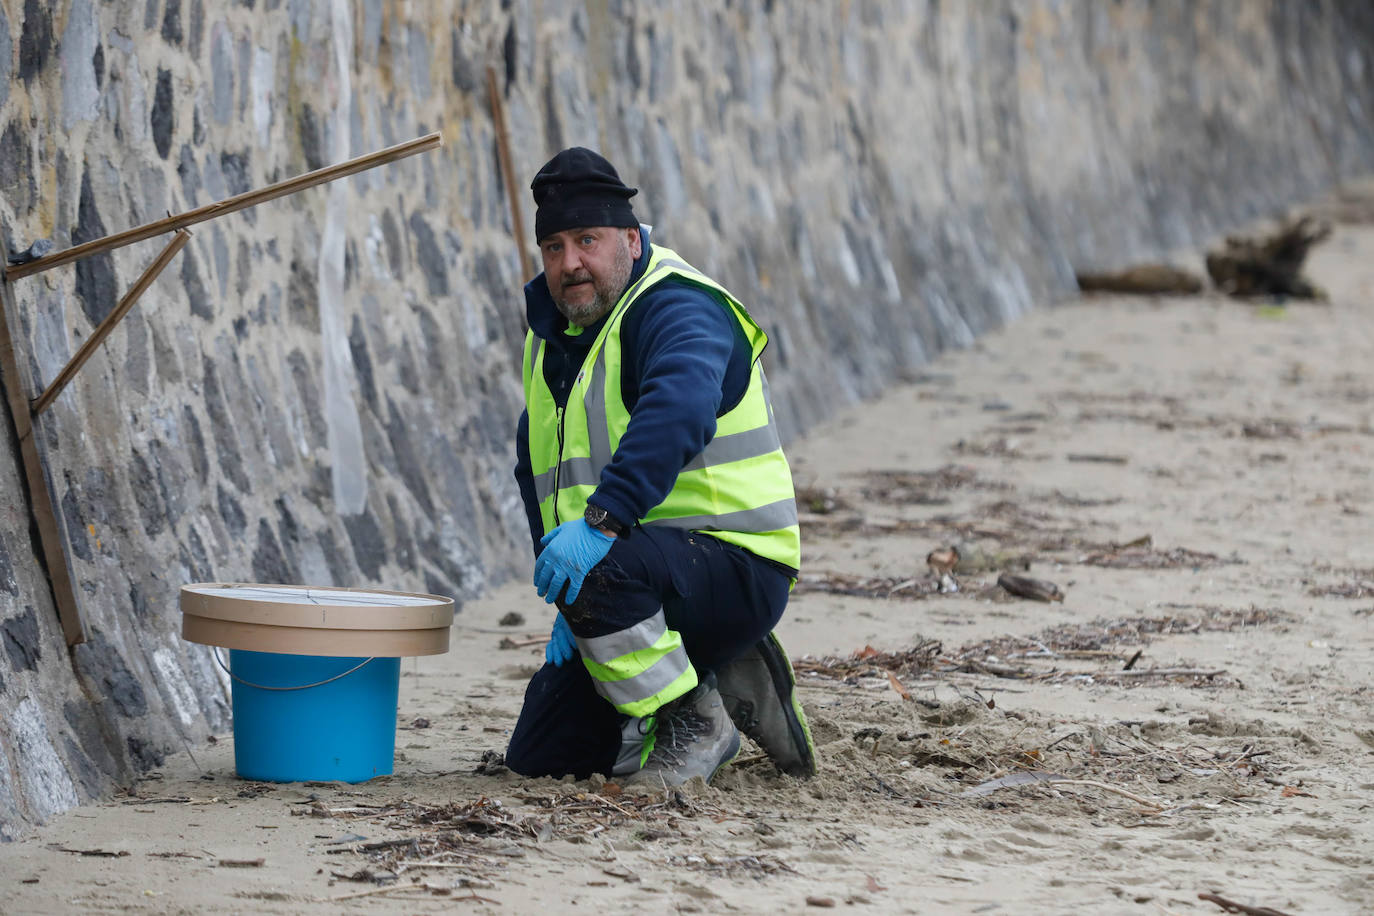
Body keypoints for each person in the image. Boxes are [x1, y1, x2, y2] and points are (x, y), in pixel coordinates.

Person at [503, 147, 816, 787]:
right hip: (632, 576)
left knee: (598, 570)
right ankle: (716, 667)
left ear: (629, 237)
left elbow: (679, 410)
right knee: (543, 758)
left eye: (587, 240)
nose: (571, 264)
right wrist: (569, 607)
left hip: (735, 563)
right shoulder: (551, 339)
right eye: (554, 247)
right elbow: (535, 473)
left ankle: (692, 718)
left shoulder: (677, 307)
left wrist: (599, 527)